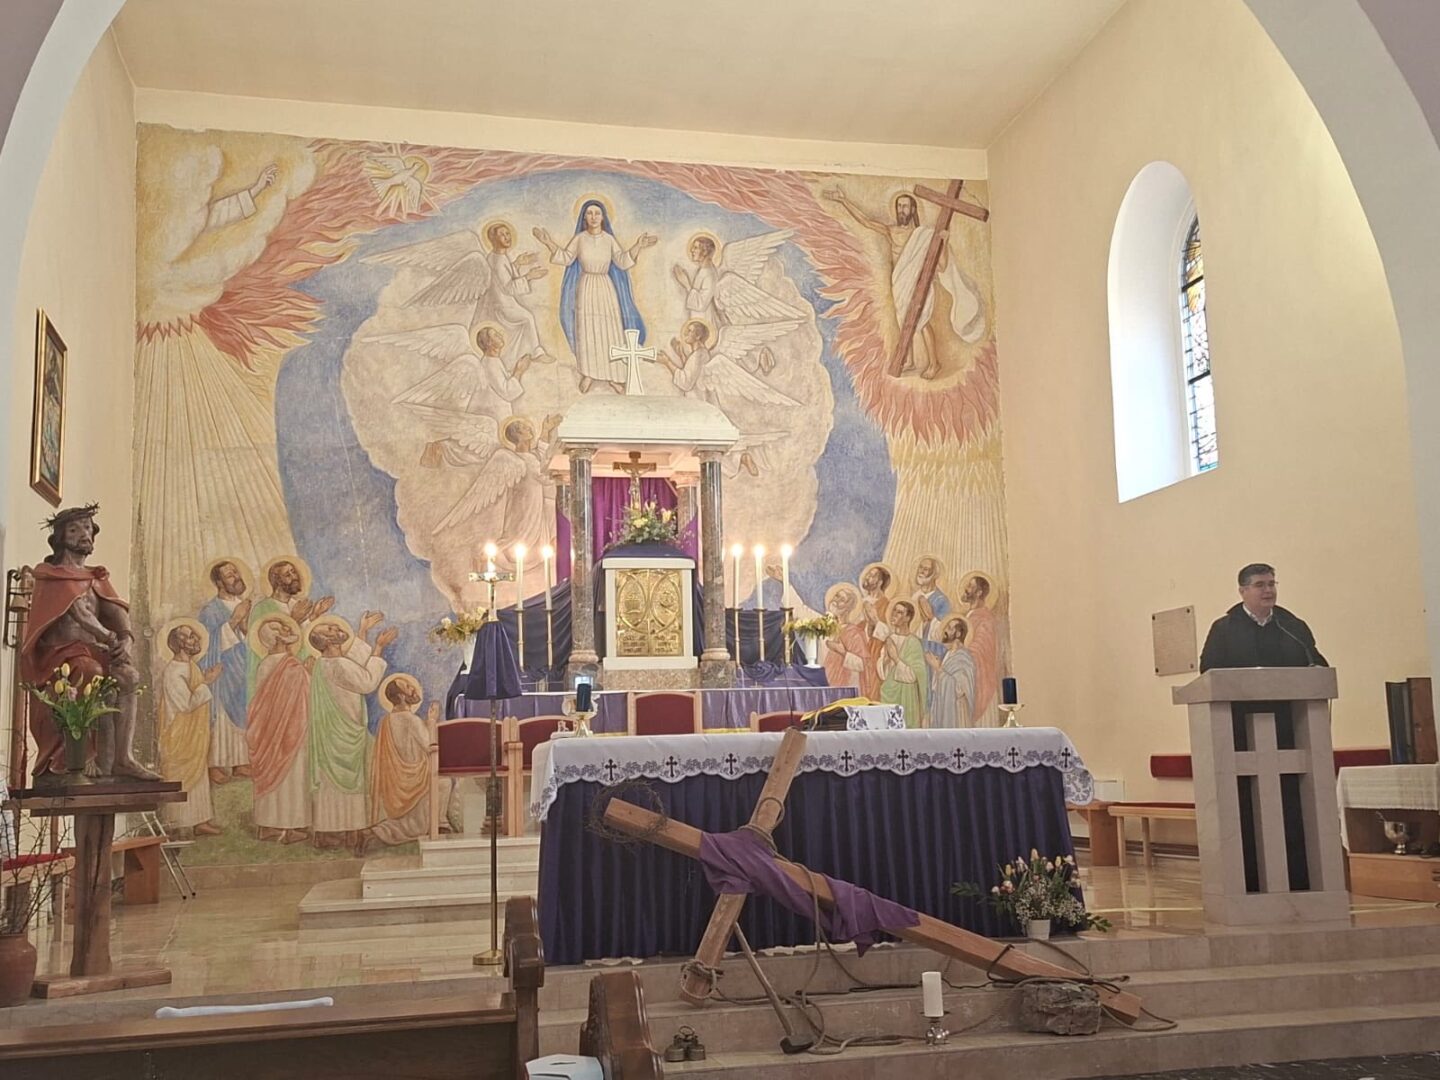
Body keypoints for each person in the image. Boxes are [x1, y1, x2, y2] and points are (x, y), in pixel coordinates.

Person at [20, 504, 157, 780]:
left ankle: (122, 759)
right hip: (59, 657)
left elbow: (117, 614)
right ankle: (80, 757)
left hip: (92, 651)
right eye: (74, 530)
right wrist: (110, 639)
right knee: (90, 671)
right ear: (60, 538)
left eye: (87, 528)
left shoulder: (95, 577)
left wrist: (126, 640)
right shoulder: (53, 574)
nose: (84, 534)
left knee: (128, 676)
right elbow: (81, 615)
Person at [533, 199, 655, 394]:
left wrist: (638, 246)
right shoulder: (580, 239)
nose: (593, 217)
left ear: (603, 217)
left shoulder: (609, 239)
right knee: (587, 331)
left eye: (597, 213)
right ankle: (588, 373)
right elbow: (566, 258)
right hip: (586, 287)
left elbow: (623, 261)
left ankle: (613, 376)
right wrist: (547, 242)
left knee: (610, 330)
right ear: (584, 217)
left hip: (605, 288)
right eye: (589, 213)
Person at [247, 615, 312, 844]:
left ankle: (270, 826)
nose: (287, 629)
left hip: (274, 730)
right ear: (275, 639)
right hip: (288, 730)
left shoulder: (269, 663)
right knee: (291, 776)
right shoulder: (288, 665)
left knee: (284, 777)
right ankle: (288, 827)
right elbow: (288, 694)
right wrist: (307, 672)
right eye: (280, 628)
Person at [158, 622, 223, 835]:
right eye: (190, 636)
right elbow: (186, 705)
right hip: (179, 736)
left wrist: (203, 679)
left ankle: (200, 821)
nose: (197, 639)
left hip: (194, 734)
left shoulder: (190, 666)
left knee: (199, 776)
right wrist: (207, 682)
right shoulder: (173, 672)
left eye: (195, 635)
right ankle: (178, 823)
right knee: (182, 777)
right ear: (179, 644)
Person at [1199, 563, 1327, 670]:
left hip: (1290, 693)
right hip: (1241, 693)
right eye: (1260, 585)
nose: (1268, 590)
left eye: (1271, 584)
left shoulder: (1293, 627)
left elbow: (1317, 664)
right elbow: (1209, 672)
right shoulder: (1223, 629)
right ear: (1243, 591)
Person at [197, 559, 253, 785]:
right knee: (221, 718)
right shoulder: (210, 610)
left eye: (236, 573)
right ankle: (215, 765)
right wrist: (235, 619)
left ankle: (241, 762)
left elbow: (253, 638)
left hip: (244, 667)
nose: (236, 577)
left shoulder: (246, 605)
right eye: (230, 575)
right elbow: (206, 643)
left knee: (243, 713)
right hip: (222, 672)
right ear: (219, 583)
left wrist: (246, 626)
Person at [877, 600, 929, 727]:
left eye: (899, 612)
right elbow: (883, 674)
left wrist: (895, 658)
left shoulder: (914, 643)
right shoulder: (889, 640)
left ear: (907, 618)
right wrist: (886, 661)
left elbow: (913, 676)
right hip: (888, 696)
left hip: (907, 699)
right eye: (894, 610)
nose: (894, 614)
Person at [925, 616, 977, 729]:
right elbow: (937, 685)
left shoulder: (963, 658)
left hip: (957, 713)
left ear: (958, 634)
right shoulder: (948, 655)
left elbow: (959, 689)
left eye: (949, 628)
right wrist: (937, 668)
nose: (945, 631)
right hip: (943, 707)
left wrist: (938, 668)